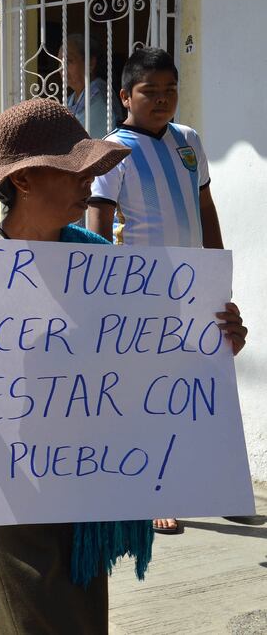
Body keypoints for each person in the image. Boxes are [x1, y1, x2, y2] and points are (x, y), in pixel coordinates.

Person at [0, 98, 249, 634]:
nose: (90, 180)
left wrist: (217, 342)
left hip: (87, 489)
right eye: (74, 170)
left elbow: (157, 363)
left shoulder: (103, 267)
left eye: (89, 167)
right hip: (10, 497)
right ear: (22, 182)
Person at [86, 46, 230, 533]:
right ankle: (153, 492)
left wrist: (218, 277)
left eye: (171, 90)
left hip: (195, 292)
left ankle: (215, 484)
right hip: (141, 298)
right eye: (151, 91)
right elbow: (98, 226)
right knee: (150, 393)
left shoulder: (188, 141)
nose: (163, 99)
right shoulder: (113, 153)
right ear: (126, 95)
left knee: (201, 387)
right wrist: (103, 296)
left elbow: (205, 209)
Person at [60, 34, 114, 139]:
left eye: (68, 61)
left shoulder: (101, 94)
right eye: (59, 62)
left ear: (91, 63)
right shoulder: (72, 98)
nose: (61, 68)